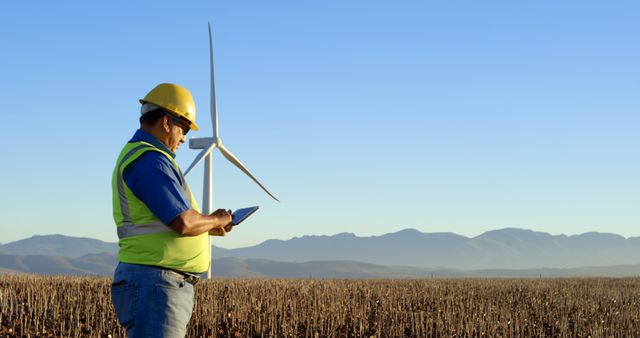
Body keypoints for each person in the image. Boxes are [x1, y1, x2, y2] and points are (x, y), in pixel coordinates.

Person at [110, 83, 233, 337]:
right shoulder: (150, 160)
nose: (185, 137)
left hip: (154, 282)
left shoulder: (144, 157)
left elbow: (165, 223)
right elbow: (183, 222)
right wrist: (216, 218)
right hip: (155, 284)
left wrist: (211, 226)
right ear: (167, 121)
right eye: (184, 127)